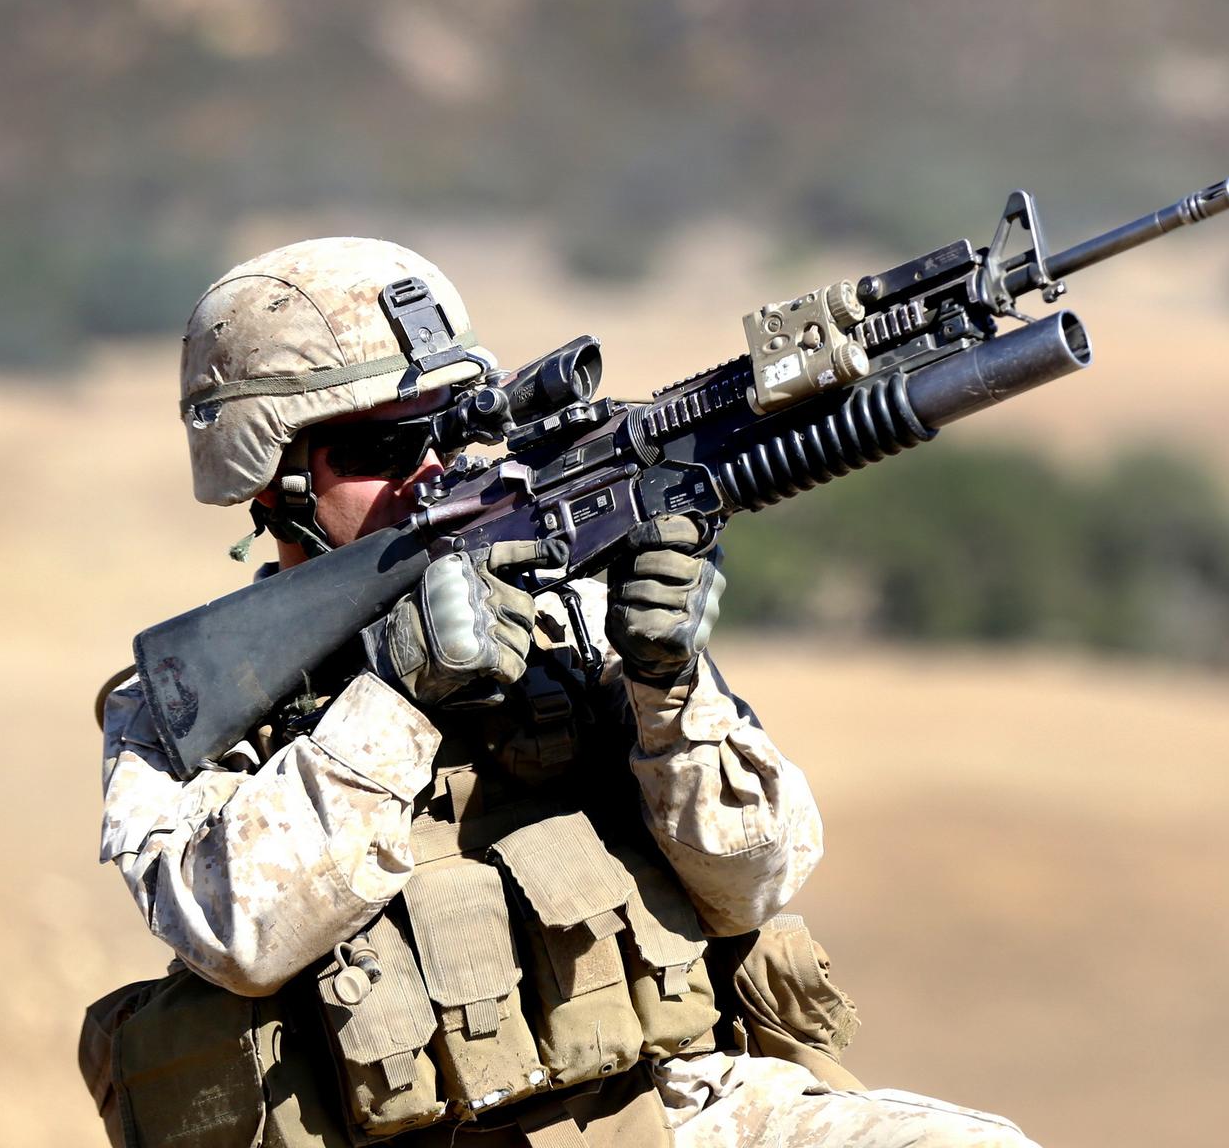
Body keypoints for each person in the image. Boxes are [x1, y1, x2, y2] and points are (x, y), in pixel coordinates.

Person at [86, 237, 1036, 1147]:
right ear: (269, 477)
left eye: (456, 429)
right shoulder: (183, 704)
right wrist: (400, 699)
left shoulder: (568, 614)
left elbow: (755, 882)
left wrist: (668, 687)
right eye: (385, 448)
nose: (432, 471)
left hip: (675, 1109)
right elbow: (237, 934)